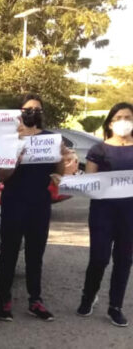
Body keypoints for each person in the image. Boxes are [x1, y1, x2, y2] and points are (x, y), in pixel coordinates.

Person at [0, 94, 66, 322]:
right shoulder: (10, 139)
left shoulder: (50, 139)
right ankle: (3, 299)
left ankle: (35, 300)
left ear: (41, 113)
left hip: (39, 204)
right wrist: (15, 157)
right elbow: (0, 175)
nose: (31, 112)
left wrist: (61, 160)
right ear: (20, 111)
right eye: (27, 109)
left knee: (36, 255)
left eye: (36, 109)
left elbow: (59, 171)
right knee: (8, 253)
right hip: (14, 202)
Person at [76, 102, 133, 327]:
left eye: (128, 117)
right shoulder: (98, 150)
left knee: (124, 259)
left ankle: (115, 307)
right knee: (99, 258)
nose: (123, 121)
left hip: (130, 213)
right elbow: (90, 182)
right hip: (103, 212)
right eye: (118, 117)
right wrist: (70, 179)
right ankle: (88, 296)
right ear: (110, 122)